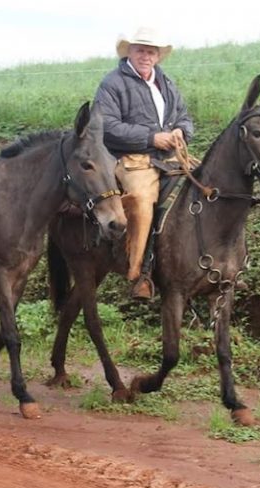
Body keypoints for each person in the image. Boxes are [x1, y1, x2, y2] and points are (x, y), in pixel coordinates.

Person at [94, 26, 194, 300]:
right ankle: (139, 272)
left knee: (207, 187)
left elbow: (184, 117)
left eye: (151, 52)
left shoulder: (167, 83)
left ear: (158, 56)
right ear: (130, 52)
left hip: (170, 157)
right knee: (140, 199)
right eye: (140, 50)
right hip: (132, 159)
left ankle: (208, 263)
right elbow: (107, 126)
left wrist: (180, 132)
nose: (146, 56)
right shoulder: (112, 83)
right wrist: (151, 137)